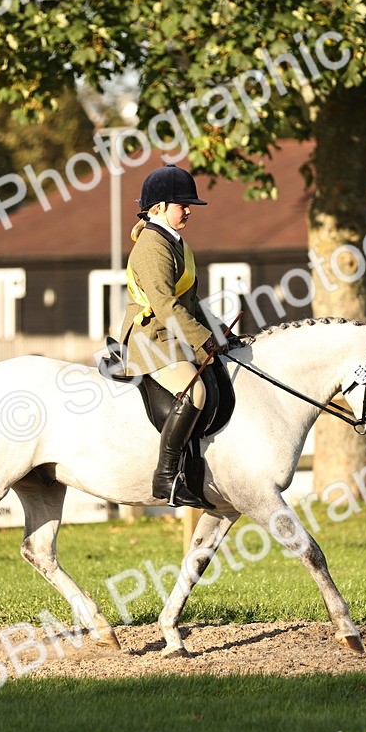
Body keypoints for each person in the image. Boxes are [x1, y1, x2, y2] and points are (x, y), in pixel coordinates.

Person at [120, 164, 229, 508]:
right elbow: (166, 306)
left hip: (172, 334)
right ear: (159, 207)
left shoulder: (176, 244)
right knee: (195, 390)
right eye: (183, 205)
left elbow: (191, 302)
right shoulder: (152, 247)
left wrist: (219, 333)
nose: (189, 211)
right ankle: (165, 477)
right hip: (151, 338)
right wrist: (202, 339)